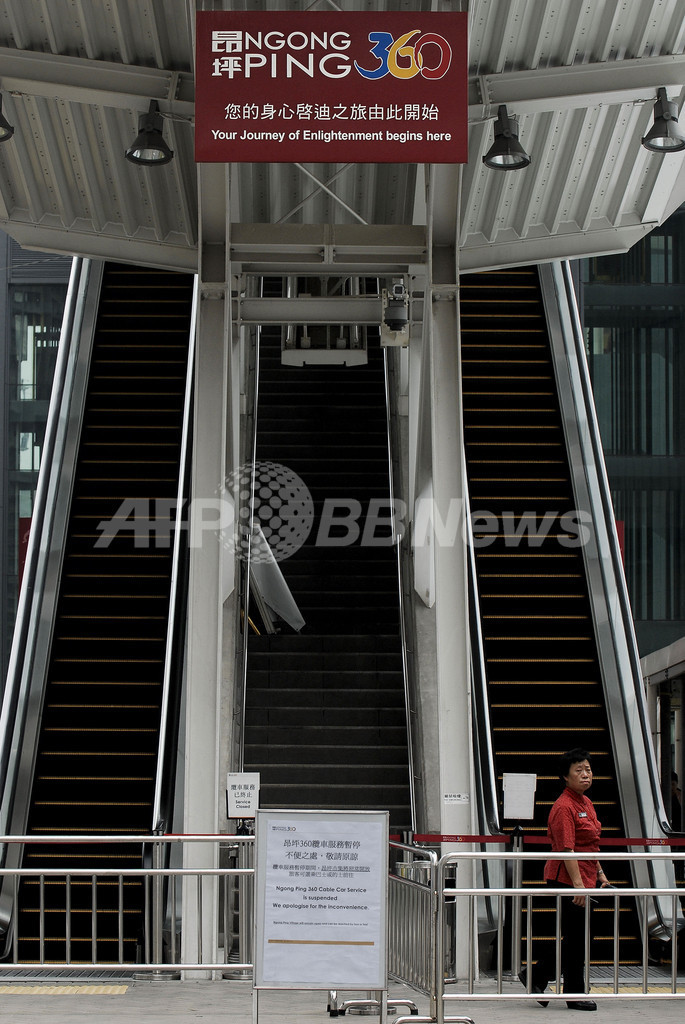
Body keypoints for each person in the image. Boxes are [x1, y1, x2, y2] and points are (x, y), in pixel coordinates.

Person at [519, 747, 612, 1011]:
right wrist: (579, 887)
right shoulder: (563, 807)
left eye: (588, 769)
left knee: (579, 937)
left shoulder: (587, 803)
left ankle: (536, 975)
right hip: (566, 878)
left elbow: (591, 845)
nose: (586, 775)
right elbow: (566, 849)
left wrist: (600, 874)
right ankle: (573, 993)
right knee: (578, 937)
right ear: (566, 776)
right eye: (579, 770)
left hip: (585, 876)